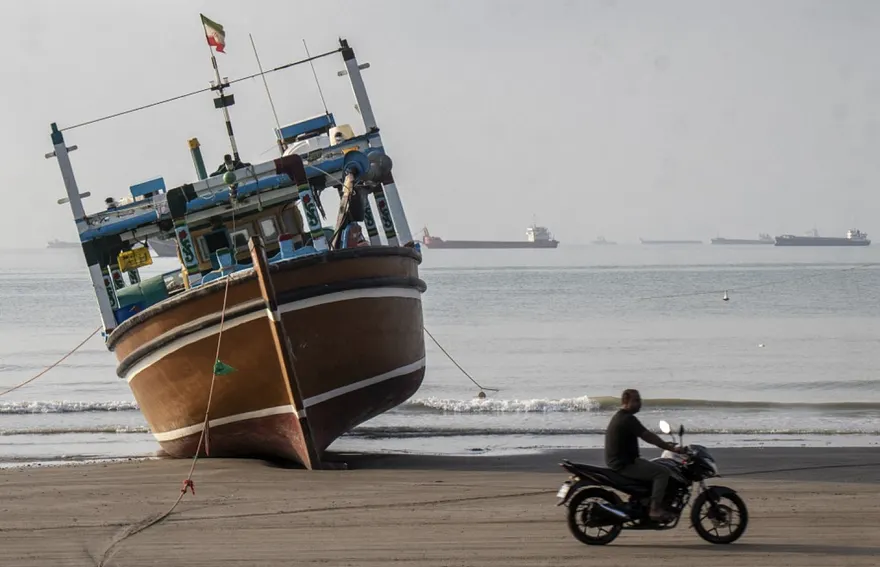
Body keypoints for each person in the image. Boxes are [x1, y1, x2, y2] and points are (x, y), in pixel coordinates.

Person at [604, 389, 686, 522]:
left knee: (653, 467)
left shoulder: (620, 416)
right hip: (625, 464)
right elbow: (647, 436)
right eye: (636, 400)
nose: (640, 403)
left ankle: (644, 501)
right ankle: (654, 509)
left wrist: (666, 445)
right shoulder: (628, 419)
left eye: (640, 400)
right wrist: (670, 448)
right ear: (626, 402)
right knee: (662, 472)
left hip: (619, 461)